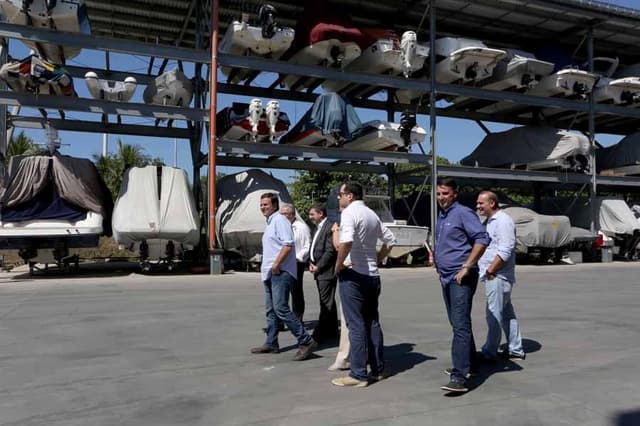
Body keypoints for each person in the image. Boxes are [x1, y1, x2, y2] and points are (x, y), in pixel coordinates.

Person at [331, 182, 395, 388]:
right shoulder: (371, 214)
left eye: (340, 194)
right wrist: (377, 258)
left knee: (355, 325)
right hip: (372, 275)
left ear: (349, 196)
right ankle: (378, 369)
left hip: (354, 274)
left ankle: (358, 374)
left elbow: (346, 242)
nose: (338, 198)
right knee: (372, 322)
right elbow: (391, 239)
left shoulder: (349, 213)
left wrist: (339, 265)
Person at [434, 177, 489, 393]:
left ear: (454, 194)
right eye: (439, 194)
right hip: (446, 276)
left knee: (460, 325)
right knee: (458, 322)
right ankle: (471, 364)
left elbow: (482, 239)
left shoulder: (463, 213)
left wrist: (467, 265)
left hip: (461, 277)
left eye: (445, 194)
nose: (441, 198)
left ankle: (459, 376)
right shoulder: (443, 214)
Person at [250, 193, 317, 361]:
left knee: (280, 308)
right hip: (270, 273)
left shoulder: (280, 220)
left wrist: (276, 264)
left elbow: (288, 244)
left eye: (266, 204)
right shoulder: (271, 222)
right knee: (271, 310)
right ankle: (271, 342)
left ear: (274, 206)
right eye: (261, 205)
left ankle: (306, 340)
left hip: (280, 272)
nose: (263, 207)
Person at [476, 191, 525, 361]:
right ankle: (516, 348)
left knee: (494, 314)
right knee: (506, 314)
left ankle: (490, 351)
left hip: (497, 276)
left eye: (481, 203)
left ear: (492, 203)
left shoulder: (503, 221)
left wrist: (491, 270)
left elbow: (505, 249)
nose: (478, 206)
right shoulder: (489, 221)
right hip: (496, 275)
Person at [308, 203, 339, 343]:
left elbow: (330, 251)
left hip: (326, 271)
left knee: (325, 302)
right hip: (318, 270)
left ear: (321, 214)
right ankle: (332, 331)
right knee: (328, 302)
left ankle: (319, 333)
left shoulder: (329, 227)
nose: (310, 217)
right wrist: (311, 261)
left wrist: (319, 266)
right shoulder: (318, 228)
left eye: (312, 214)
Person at [280, 203, 311, 322]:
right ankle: (283, 318)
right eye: (281, 214)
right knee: (282, 291)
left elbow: (306, 246)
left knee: (296, 290)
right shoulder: (281, 226)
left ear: (292, 215)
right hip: (282, 262)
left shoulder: (301, 227)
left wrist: (298, 258)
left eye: (285, 214)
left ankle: (298, 318)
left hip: (296, 262)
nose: (283, 216)